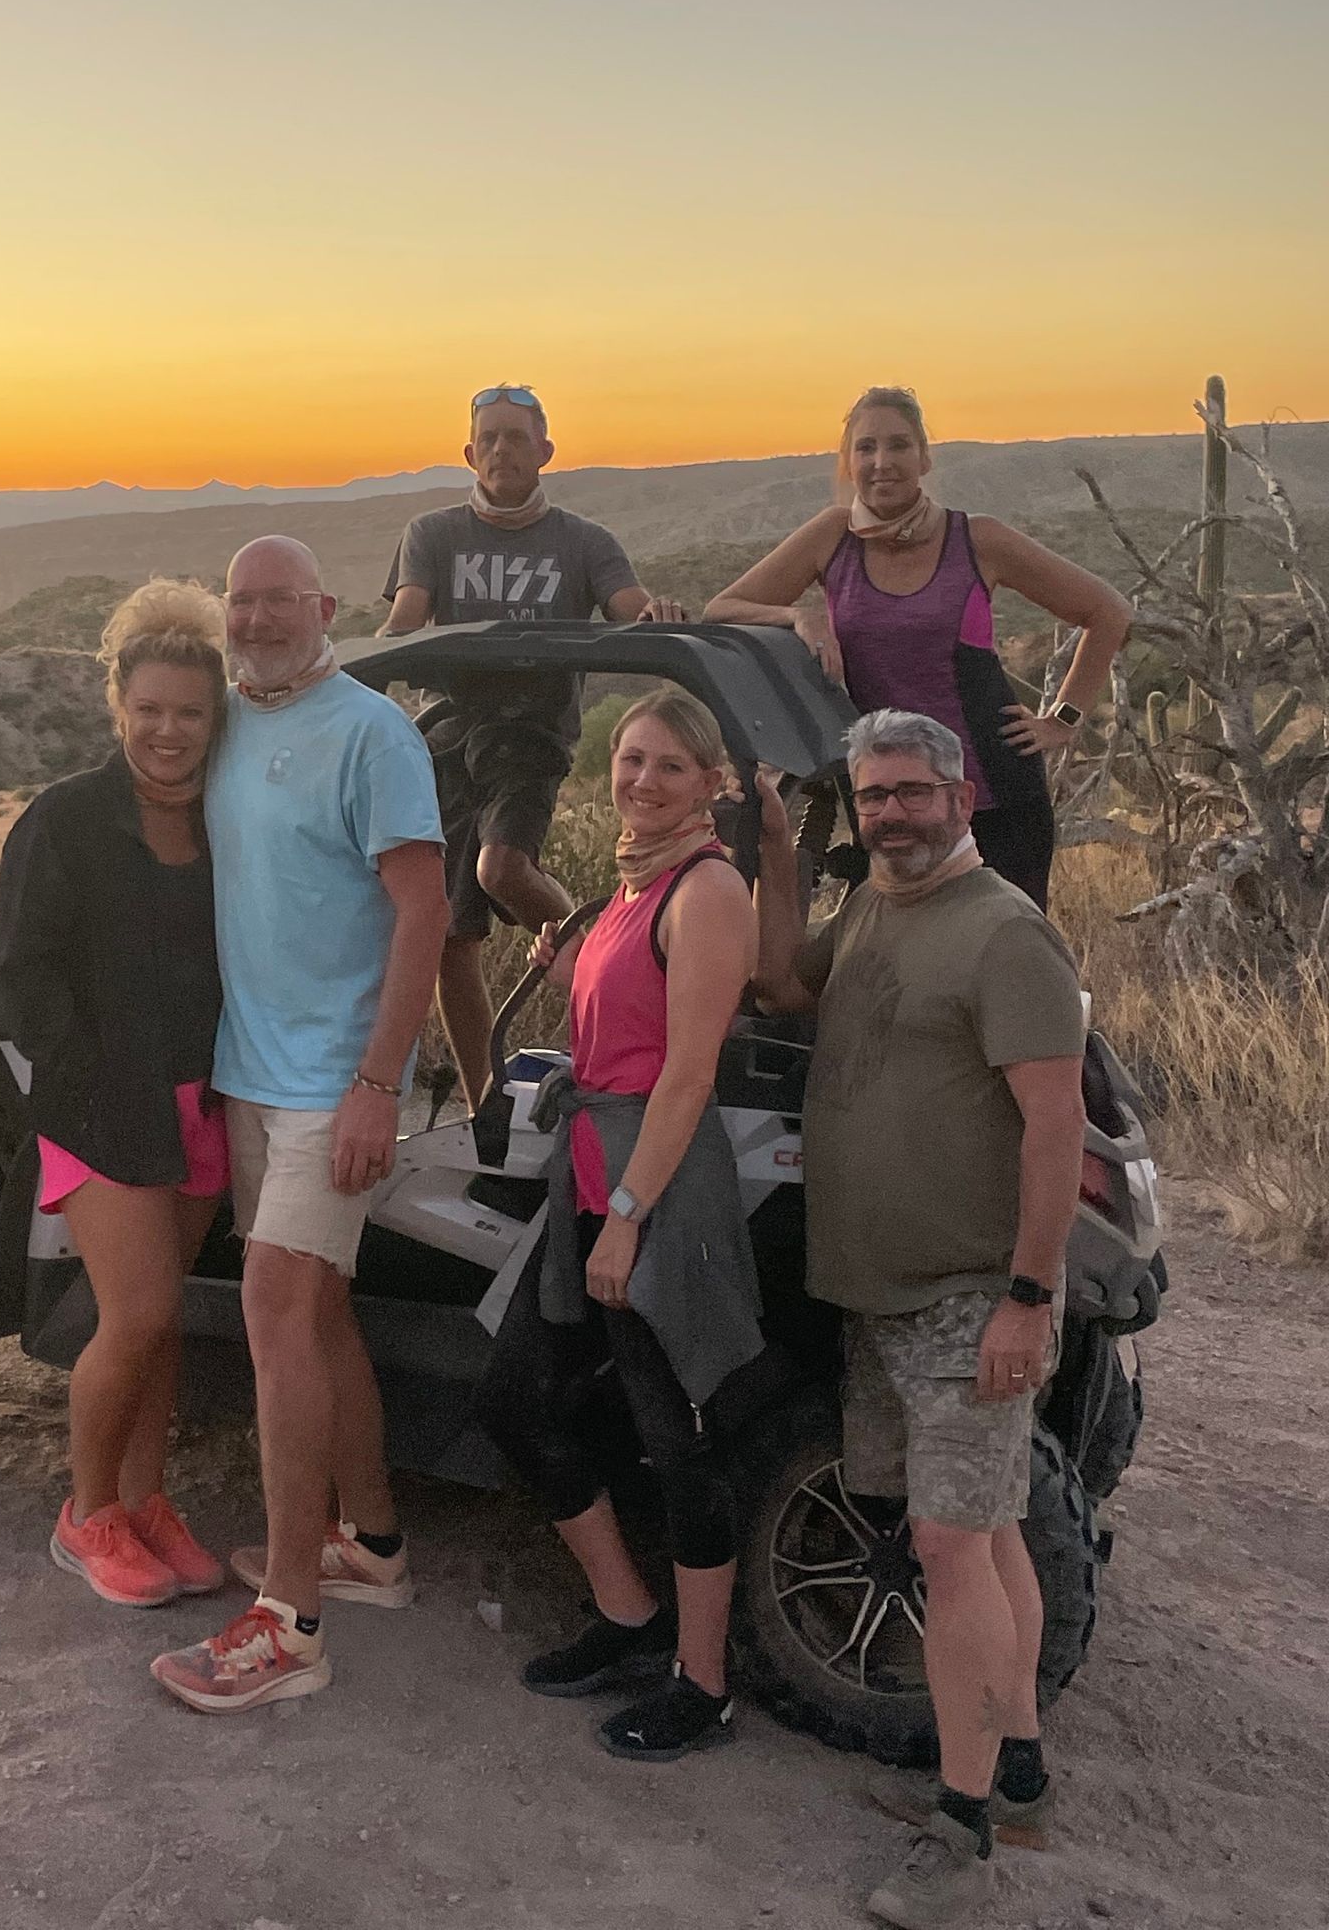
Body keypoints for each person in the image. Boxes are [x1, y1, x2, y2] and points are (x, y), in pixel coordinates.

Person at [753, 708, 1088, 1929]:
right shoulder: (882, 910)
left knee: (950, 1550)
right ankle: (1021, 1771)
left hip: (965, 1296)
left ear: (961, 793)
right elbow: (787, 983)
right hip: (878, 1295)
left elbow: (1054, 1127)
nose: (890, 810)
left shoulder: (1008, 934)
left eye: (909, 789)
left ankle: (962, 1825)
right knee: (987, 1535)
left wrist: (1028, 1296)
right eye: (872, 792)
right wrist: (784, 849)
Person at [150, 537, 449, 1713]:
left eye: (281, 599)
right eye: (242, 600)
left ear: (326, 608)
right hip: (252, 1071)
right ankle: (369, 1540)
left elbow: (423, 908)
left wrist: (382, 1080)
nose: (260, 617)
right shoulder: (226, 722)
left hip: (336, 1079)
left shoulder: (374, 732)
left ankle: (288, 1623)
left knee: (274, 1304)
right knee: (317, 1313)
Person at [476, 691, 762, 1761]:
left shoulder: (709, 888)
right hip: (591, 1175)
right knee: (516, 1398)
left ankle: (704, 1682)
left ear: (711, 782)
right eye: (631, 757)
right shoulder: (633, 888)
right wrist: (570, 966)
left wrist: (628, 1218)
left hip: (659, 1188)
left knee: (677, 1435)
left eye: (671, 765)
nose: (643, 778)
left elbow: (686, 1072)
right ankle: (630, 1616)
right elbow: (620, 1025)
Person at [0, 580, 232, 1609]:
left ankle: (144, 1502)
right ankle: (86, 1514)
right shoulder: (67, 820)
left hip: (201, 1099)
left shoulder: (227, 821)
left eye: (189, 711)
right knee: (135, 1311)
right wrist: (78, 1068)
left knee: (164, 1320)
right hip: (100, 1107)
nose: (168, 730)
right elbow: (23, 972)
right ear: (117, 707)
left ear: (212, 717)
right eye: (151, 710)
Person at [703, 385, 1130, 911]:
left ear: (924, 457)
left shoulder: (977, 540)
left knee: (1002, 961)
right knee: (895, 966)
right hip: (886, 803)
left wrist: (1062, 719)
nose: (882, 462)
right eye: (866, 448)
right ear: (848, 461)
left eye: (899, 445)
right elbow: (723, 608)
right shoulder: (833, 537)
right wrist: (798, 615)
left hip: (991, 792)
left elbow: (1108, 611)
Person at [381, 383, 680, 1107]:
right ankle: (487, 1107)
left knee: (502, 865)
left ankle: (611, 964)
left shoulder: (581, 541)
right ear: (468, 452)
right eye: (489, 438)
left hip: (530, 732)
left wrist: (659, 614)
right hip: (449, 735)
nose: (502, 450)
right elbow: (405, 620)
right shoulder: (434, 533)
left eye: (517, 437)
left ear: (545, 450)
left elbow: (629, 607)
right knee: (451, 935)